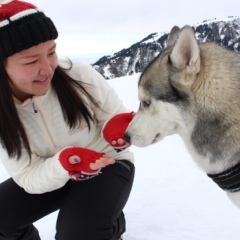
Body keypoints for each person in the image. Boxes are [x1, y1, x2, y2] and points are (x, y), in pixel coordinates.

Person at [0, 0, 135, 239]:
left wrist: (122, 130)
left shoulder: (78, 75)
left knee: (77, 233)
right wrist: (64, 163)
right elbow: (28, 175)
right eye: (31, 61)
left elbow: (114, 117)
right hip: (54, 171)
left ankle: (109, 226)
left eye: (51, 52)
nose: (47, 68)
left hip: (107, 164)